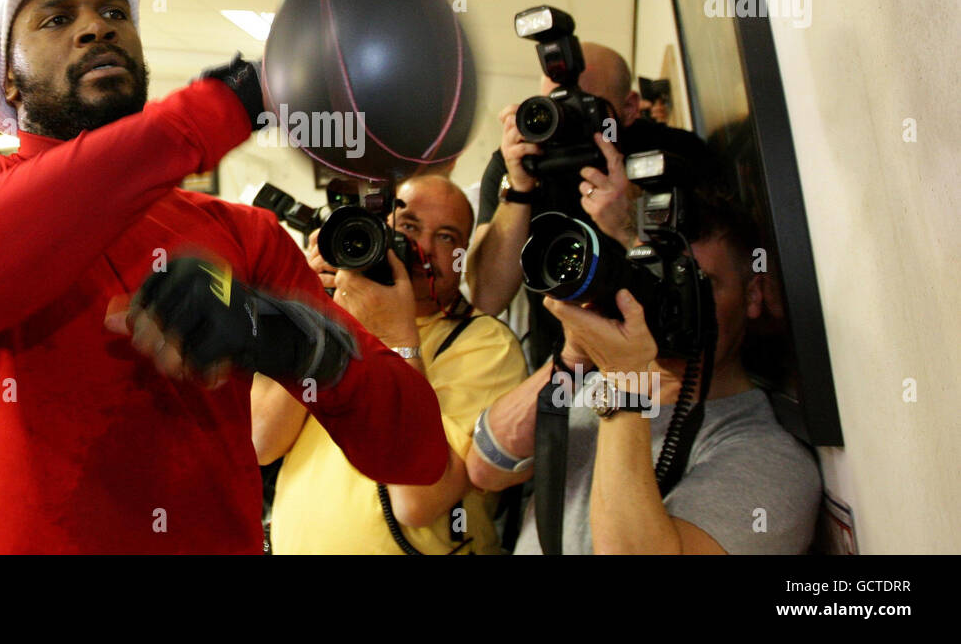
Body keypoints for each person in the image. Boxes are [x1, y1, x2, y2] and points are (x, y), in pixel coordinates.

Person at [0, 0, 448, 554]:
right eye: (59, 18)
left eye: (115, 13)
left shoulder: (243, 233)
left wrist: (283, 336)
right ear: (9, 79)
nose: (97, 28)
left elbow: (414, 451)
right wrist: (217, 110)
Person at [466, 191, 822, 554]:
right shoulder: (597, 381)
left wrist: (626, 381)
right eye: (653, 276)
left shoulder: (772, 460)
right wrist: (573, 358)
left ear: (752, 297)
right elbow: (487, 467)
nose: (666, 298)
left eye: (693, 283)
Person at [256, 175, 526, 554]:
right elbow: (260, 442)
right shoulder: (333, 319)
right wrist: (317, 312)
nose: (423, 248)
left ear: (466, 258)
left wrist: (397, 339)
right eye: (409, 227)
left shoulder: (485, 344)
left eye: (447, 237)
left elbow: (417, 502)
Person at [467, 41, 715, 369]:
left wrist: (630, 221)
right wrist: (519, 190)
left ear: (628, 107)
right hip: (566, 370)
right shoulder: (519, 163)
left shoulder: (672, 152)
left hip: (666, 365)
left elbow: (719, 275)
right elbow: (486, 297)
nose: (567, 120)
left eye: (584, 107)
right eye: (556, 104)